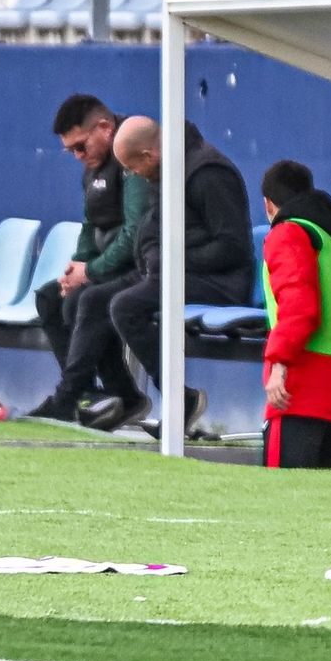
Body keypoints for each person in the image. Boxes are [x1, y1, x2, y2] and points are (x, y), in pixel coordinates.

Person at [88, 117, 255, 435]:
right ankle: (119, 397)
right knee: (94, 299)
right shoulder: (165, 172)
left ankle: (180, 400)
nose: (134, 175)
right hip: (174, 273)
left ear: (148, 155)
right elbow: (153, 230)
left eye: (132, 168)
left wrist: (174, 261)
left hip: (222, 283)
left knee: (126, 306)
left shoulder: (209, 174)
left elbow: (232, 248)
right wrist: (155, 259)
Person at [28, 96, 151, 425]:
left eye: (80, 147)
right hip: (110, 268)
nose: (78, 156)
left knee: (86, 301)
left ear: (105, 128)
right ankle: (108, 395)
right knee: (51, 297)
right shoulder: (92, 167)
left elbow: (135, 231)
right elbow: (90, 224)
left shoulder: (131, 154)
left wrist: (92, 271)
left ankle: (69, 396)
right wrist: (77, 267)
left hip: (141, 269)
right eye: (70, 151)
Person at [257, 159, 331, 469]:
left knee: (282, 493)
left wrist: (279, 364)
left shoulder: (287, 233)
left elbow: (299, 307)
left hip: (306, 382)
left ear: (268, 204)